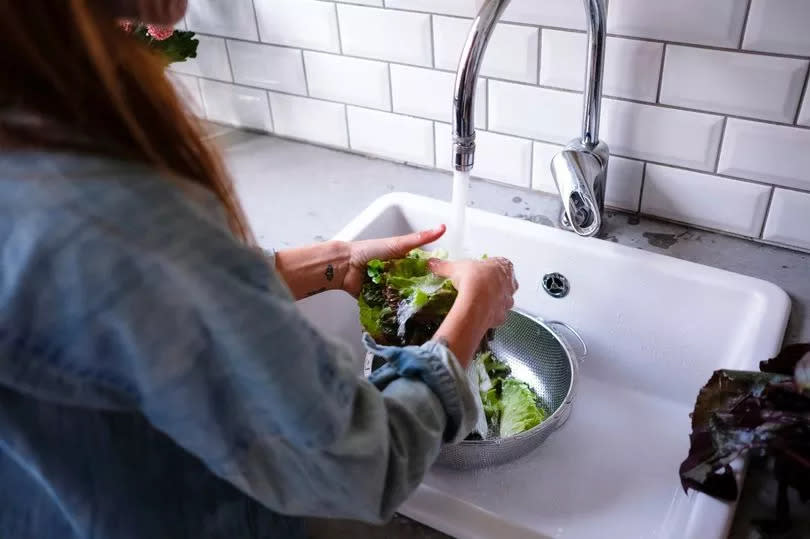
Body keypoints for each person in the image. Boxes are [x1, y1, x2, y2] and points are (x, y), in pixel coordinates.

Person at [0, 1, 518, 538]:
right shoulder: (113, 207)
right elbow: (362, 465)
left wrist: (334, 264)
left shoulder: (32, 145)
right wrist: (476, 305)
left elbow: (139, 314)